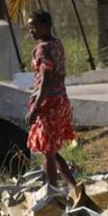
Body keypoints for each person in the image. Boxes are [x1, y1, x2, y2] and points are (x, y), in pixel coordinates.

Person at [25, 10, 77, 192]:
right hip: (61, 99)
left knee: (48, 152)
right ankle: (73, 187)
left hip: (49, 102)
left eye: (34, 27)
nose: (31, 31)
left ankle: (52, 193)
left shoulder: (42, 50)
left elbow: (46, 76)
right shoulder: (57, 44)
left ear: (46, 26)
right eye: (29, 28)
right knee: (51, 151)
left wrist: (36, 107)